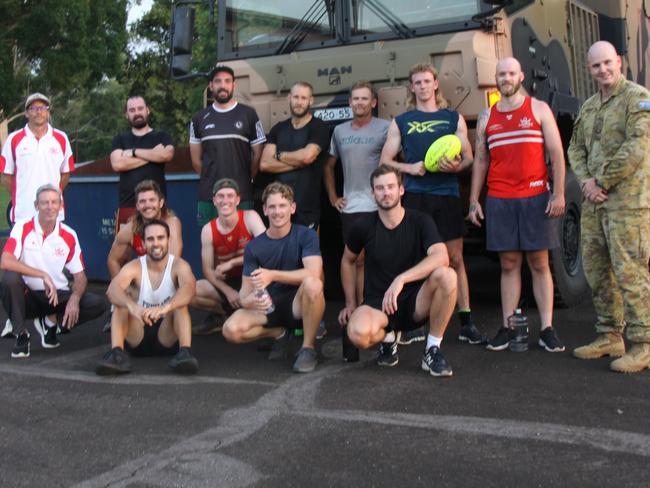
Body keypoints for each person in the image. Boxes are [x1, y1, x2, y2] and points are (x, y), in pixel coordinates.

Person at [380, 63, 485, 345]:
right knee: (415, 259)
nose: (423, 86)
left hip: (446, 195)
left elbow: (469, 158)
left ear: (436, 84)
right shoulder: (401, 121)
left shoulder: (453, 118)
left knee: (455, 259)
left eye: (427, 81)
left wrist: (455, 167)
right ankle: (414, 323)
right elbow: (385, 160)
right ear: (412, 87)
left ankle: (466, 322)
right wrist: (410, 168)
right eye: (418, 82)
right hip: (414, 196)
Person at [468, 57, 566, 352]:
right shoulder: (487, 117)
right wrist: (474, 199)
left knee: (539, 263)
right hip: (500, 198)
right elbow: (481, 160)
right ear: (496, 78)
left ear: (521, 75)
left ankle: (547, 329)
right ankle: (508, 327)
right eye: (501, 74)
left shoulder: (538, 109)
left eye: (511, 73)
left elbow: (557, 153)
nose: (506, 78)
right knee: (508, 264)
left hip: (535, 197)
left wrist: (559, 193)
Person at [568, 41, 650, 373]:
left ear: (619, 62)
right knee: (597, 271)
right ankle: (609, 335)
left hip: (627, 204)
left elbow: (637, 147)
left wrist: (601, 183)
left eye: (607, 63)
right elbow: (575, 149)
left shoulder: (637, 98)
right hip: (595, 205)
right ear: (589, 70)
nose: (602, 70)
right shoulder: (588, 107)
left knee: (631, 273)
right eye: (596, 66)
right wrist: (587, 182)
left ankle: (644, 344)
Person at [339, 165, 457, 376]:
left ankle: (432, 349)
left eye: (391, 187)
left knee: (447, 276)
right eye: (380, 188)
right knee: (357, 334)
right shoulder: (363, 225)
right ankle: (388, 338)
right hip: (378, 303)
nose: (386, 192)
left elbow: (442, 256)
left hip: (415, 301)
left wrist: (401, 279)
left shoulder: (420, 221)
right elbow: (348, 260)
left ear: (401, 190)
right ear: (372, 193)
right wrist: (350, 303)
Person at [222, 182, 325, 373]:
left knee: (313, 284)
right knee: (231, 330)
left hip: (297, 304)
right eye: (272, 207)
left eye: (282, 206)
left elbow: (313, 273)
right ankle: (279, 334)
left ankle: (308, 348)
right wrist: (249, 300)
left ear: (292, 208)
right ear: (265, 210)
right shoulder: (254, 247)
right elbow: (244, 294)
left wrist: (273, 275)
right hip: (268, 306)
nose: (277, 212)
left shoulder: (306, 235)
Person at [0, 184, 108, 358]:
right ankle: (21, 335)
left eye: (54, 202)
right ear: (36, 206)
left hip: (56, 296)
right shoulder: (22, 227)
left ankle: (51, 322)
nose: (50, 207)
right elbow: (5, 260)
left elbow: (80, 276)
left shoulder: (69, 235)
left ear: (60, 205)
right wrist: (42, 274)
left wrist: (74, 298)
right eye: (44, 203)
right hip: (28, 296)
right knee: (9, 279)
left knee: (98, 304)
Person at [96, 219, 199, 375]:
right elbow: (112, 290)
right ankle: (116, 354)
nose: (156, 243)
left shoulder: (179, 265)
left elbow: (190, 289)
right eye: (150, 239)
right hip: (138, 334)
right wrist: (132, 306)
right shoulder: (134, 266)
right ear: (143, 244)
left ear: (168, 241)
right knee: (121, 303)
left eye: (160, 238)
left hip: (167, 335)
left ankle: (185, 352)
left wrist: (166, 307)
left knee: (180, 304)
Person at [324, 81, 389, 309]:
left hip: (380, 205)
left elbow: (397, 163)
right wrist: (333, 197)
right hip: (352, 206)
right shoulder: (340, 131)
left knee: (380, 258)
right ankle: (355, 306)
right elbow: (328, 166)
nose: (360, 102)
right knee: (356, 259)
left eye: (364, 98)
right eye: (356, 98)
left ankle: (375, 305)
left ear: (373, 102)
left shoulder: (386, 127)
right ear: (350, 102)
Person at [189, 64, 266, 226]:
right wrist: (210, 178)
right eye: (217, 81)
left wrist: (246, 178)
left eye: (227, 81)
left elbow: (257, 155)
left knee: (244, 245)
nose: (222, 85)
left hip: (241, 194)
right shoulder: (199, 118)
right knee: (210, 242)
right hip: (209, 196)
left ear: (233, 85)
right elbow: (196, 161)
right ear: (211, 86)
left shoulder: (249, 114)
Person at [191, 178, 266, 334]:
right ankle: (223, 314)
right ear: (214, 200)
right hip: (227, 282)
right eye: (221, 196)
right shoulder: (208, 229)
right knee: (190, 291)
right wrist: (227, 291)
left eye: (230, 196)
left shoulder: (250, 217)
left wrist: (232, 263)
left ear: (237, 199)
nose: (225, 200)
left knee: (263, 306)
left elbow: (266, 252)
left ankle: (241, 313)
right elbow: (207, 270)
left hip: (252, 281)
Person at [260, 81, 330, 229]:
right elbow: (265, 164)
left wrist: (278, 155)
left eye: (304, 98)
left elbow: (307, 156)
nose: (299, 102)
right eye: (296, 97)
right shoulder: (278, 129)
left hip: (308, 207)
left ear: (311, 100)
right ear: (289, 98)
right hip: (280, 207)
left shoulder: (319, 127)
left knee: (308, 251)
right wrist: (298, 162)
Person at [0, 93, 74, 224]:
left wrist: (51, 196)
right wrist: (22, 195)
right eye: (33, 108)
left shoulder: (61, 138)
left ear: (48, 112)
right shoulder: (14, 139)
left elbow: (66, 173)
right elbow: (5, 176)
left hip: (53, 214)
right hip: (23, 214)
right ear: (26, 113)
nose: (38, 112)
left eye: (43, 107)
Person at [110, 95, 174, 230]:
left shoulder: (161, 136)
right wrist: (153, 154)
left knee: (160, 248)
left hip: (157, 206)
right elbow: (117, 164)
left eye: (140, 108)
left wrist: (133, 152)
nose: (137, 113)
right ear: (126, 115)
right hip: (128, 205)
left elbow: (167, 155)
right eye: (132, 110)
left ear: (147, 110)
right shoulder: (120, 139)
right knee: (123, 249)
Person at [107, 179, 182, 279]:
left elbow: (172, 262)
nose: (147, 205)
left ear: (161, 203)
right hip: (143, 282)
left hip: (168, 280)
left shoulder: (172, 223)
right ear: (137, 206)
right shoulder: (131, 228)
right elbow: (113, 260)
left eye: (152, 200)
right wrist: (121, 286)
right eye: (142, 201)